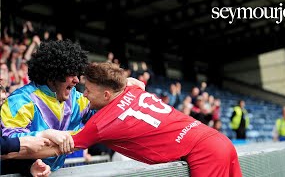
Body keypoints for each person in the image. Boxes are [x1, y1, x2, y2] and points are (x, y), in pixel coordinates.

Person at [17, 62, 242, 177]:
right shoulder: (133, 89)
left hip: (205, 154)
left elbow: (54, 148)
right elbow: (133, 82)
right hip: (218, 141)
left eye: (89, 91)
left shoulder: (101, 123)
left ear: (106, 95)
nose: (83, 95)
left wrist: (12, 148)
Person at [0, 39, 145, 172]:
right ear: (53, 74)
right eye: (70, 73)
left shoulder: (75, 98)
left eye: (77, 73)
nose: (76, 80)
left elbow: (104, 114)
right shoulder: (20, 101)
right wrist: (41, 141)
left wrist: (121, 90)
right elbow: (9, 143)